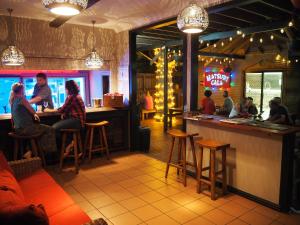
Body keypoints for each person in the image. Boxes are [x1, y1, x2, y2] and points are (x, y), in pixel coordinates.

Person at [10, 82, 56, 155]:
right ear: (22, 90)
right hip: (26, 129)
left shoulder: (12, 101)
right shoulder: (22, 99)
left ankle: (30, 151)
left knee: (37, 131)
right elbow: (33, 111)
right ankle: (48, 154)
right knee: (50, 129)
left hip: (18, 130)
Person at [52, 80, 86, 155]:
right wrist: (64, 113)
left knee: (54, 128)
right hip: (79, 121)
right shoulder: (77, 95)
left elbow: (62, 109)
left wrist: (51, 110)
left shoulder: (72, 97)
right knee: (61, 128)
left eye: (66, 88)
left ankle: (69, 144)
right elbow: (67, 108)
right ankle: (71, 143)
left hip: (77, 121)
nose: (65, 90)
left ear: (68, 89)